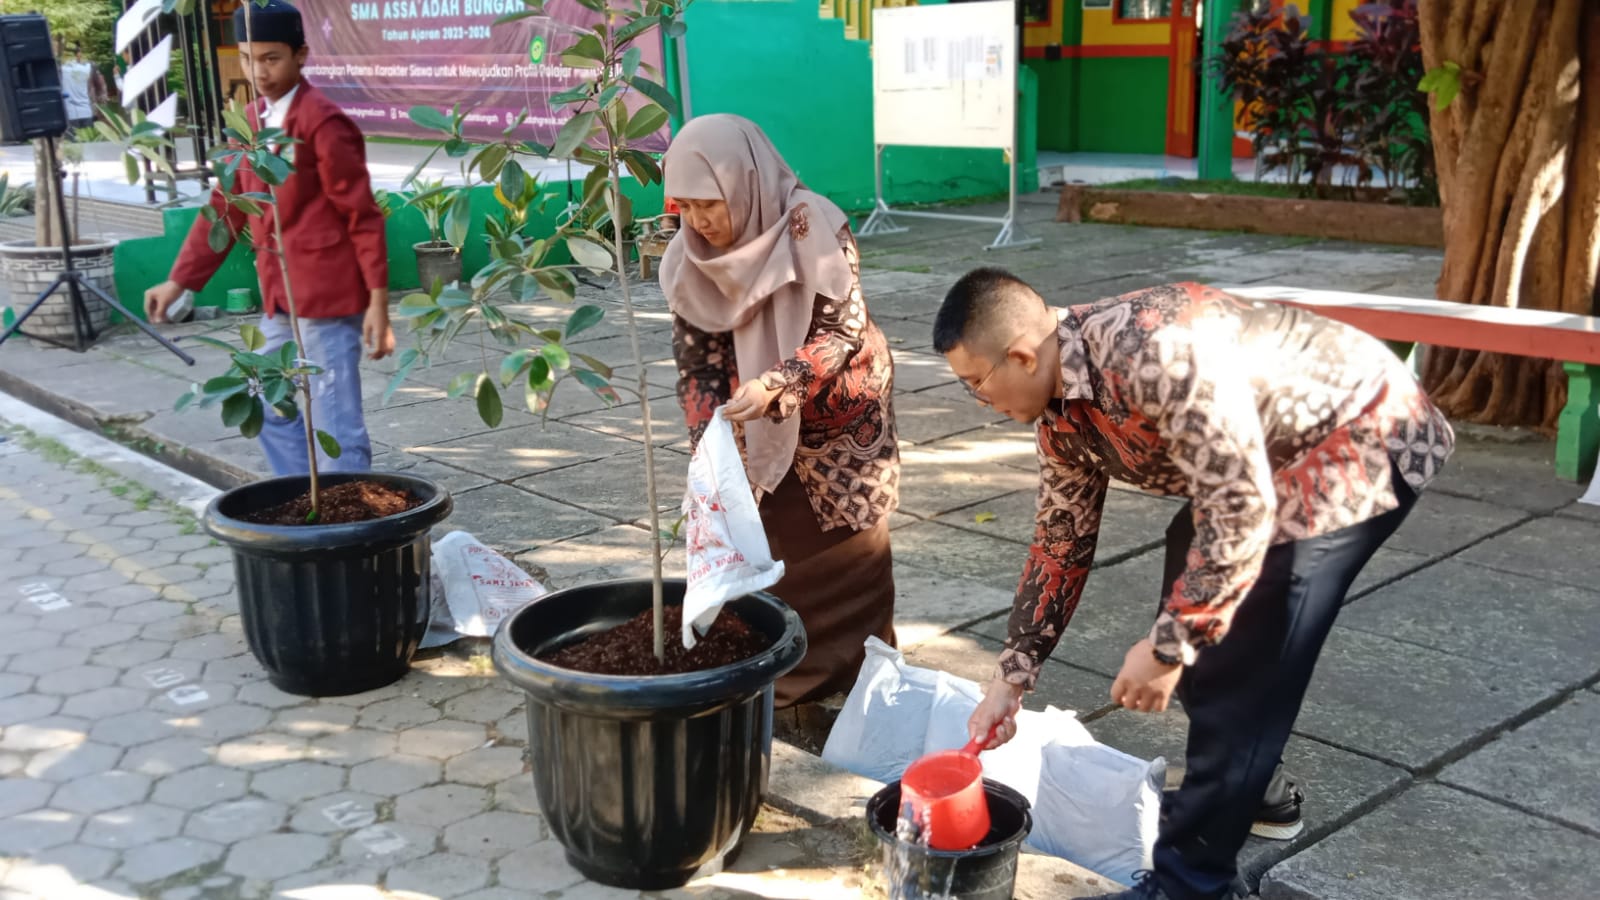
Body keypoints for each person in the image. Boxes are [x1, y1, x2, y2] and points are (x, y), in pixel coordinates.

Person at [933, 271, 1454, 900]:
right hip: (1259, 465)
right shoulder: (1060, 414)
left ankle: (1191, 883)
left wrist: (1166, 648)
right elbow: (1059, 543)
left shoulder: (1149, 350)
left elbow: (1240, 507)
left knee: (1239, 657)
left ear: (1020, 354)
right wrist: (1010, 678)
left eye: (976, 384)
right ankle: (1250, 786)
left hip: (1359, 436)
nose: (978, 402)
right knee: (1201, 642)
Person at [661, 114, 900, 712]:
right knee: (770, 552)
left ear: (744, 181)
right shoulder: (687, 258)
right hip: (754, 417)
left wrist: (778, 383)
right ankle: (787, 689)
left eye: (708, 204)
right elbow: (699, 367)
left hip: (840, 419)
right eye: (682, 208)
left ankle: (857, 685)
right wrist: (707, 451)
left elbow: (841, 331)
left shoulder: (812, 223)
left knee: (848, 556)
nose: (698, 223)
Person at [144, 0, 393, 476]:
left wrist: (378, 304)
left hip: (326, 300)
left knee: (336, 426)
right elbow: (226, 208)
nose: (257, 70)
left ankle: (346, 532)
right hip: (279, 299)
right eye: (247, 57)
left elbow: (363, 216)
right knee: (259, 396)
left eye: (271, 57)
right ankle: (303, 500)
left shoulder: (324, 123)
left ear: (301, 55)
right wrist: (180, 282)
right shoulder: (251, 124)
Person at [59, 44, 103, 132]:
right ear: (78, 55)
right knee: (89, 144)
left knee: (74, 144)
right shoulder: (87, 68)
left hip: (70, 114)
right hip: (86, 112)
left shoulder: (61, 70)